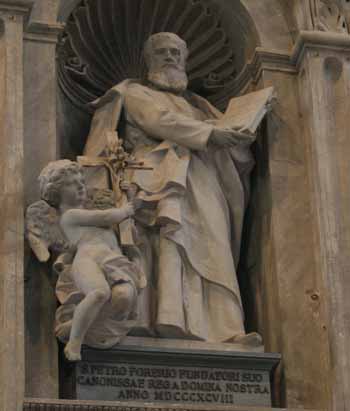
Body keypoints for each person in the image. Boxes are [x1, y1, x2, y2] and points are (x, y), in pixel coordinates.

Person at [83, 32, 260, 345]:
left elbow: (230, 143)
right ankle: (152, 320)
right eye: (162, 52)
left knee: (213, 247)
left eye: (176, 53)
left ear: (185, 59)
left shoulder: (200, 106)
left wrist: (240, 133)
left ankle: (222, 330)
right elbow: (158, 120)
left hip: (203, 182)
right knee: (160, 245)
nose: (170, 57)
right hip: (153, 176)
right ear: (148, 60)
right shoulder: (133, 91)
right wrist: (213, 134)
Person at [38, 160, 143, 361]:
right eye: (71, 183)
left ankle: (79, 322)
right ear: (56, 193)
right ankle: (75, 342)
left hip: (114, 262)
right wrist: (125, 209)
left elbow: (126, 229)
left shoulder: (92, 214)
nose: (80, 186)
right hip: (88, 260)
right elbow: (107, 217)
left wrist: (127, 196)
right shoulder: (70, 216)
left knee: (125, 298)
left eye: (81, 181)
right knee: (98, 292)